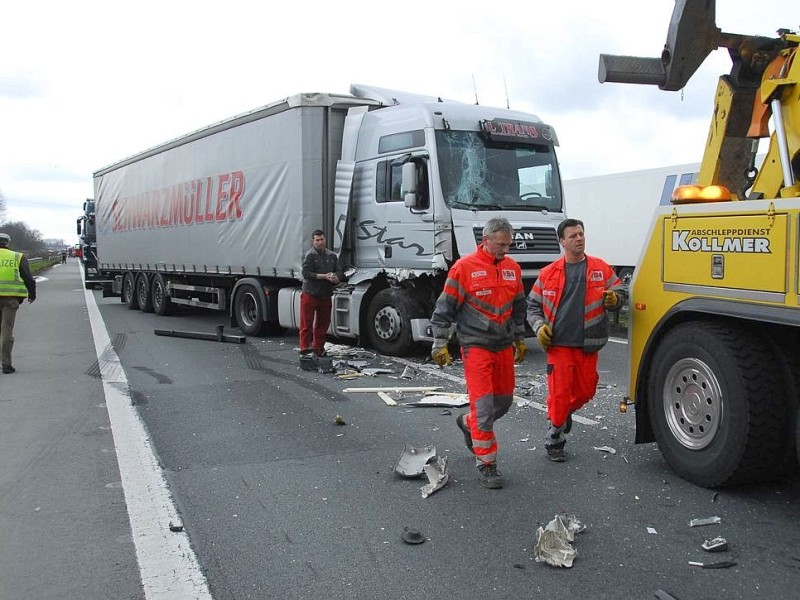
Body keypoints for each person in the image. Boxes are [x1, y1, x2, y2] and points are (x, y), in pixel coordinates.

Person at [429, 217, 527, 489]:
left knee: (503, 403)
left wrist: (519, 339)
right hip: (476, 347)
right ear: (485, 240)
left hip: (503, 346)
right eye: (500, 245)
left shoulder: (512, 269)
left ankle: (467, 422)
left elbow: (518, 308)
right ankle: (487, 464)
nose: (505, 250)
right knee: (484, 408)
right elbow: (444, 309)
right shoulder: (464, 268)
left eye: (508, 245)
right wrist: (439, 343)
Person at [526, 218, 624, 462]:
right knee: (559, 395)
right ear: (562, 241)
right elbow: (532, 307)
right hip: (558, 345)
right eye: (573, 236)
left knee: (586, 391)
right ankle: (555, 438)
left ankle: (564, 413)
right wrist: (539, 328)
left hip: (588, 344)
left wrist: (616, 299)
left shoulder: (600, 268)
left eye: (581, 234)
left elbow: (621, 291)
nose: (579, 238)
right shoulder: (548, 274)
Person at [300, 230, 341, 356]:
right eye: (317, 240)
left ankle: (318, 349)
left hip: (325, 294)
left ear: (325, 240)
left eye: (322, 239)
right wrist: (325, 276)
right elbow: (306, 273)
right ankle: (304, 349)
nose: (320, 242)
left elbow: (339, 271)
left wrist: (336, 278)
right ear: (313, 241)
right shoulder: (309, 255)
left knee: (323, 324)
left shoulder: (332, 255)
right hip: (310, 294)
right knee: (306, 324)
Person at [0, 233, 37, 374]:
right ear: (8, 243)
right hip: (10, 299)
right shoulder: (17, 256)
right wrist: (32, 294)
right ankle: (6, 365)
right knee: (6, 331)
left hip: (9, 299)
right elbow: (27, 277)